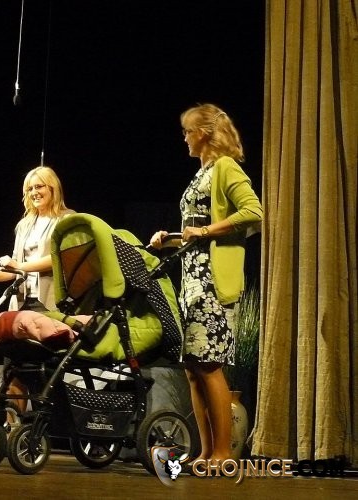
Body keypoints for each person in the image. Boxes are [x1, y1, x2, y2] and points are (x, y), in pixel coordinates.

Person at [149, 103, 263, 464]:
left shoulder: (225, 167)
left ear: (204, 133)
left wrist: (206, 230)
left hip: (212, 281)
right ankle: (205, 450)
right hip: (193, 281)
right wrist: (170, 239)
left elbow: (254, 211)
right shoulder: (203, 173)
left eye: (188, 131)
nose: (184, 138)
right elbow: (196, 231)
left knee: (209, 364)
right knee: (194, 369)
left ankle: (223, 453)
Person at [0, 165, 75, 411]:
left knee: (45, 371)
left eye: (39, 186)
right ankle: (13, 427)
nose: (34, 192)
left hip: (48, 304)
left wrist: (20, 266)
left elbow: (59, 258)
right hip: (21, 305)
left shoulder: (67, 220)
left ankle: (46, 422)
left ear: (53, 188)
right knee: (15, 369)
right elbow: (16, 269)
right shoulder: (24, 225)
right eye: (29, 189)